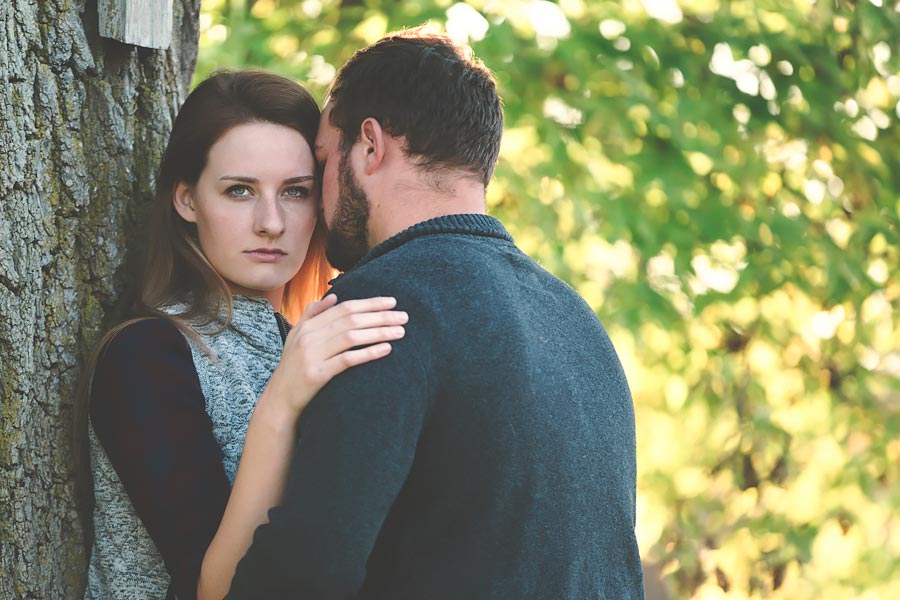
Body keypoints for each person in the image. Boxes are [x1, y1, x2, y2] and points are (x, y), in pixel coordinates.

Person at [226, 29, 645, 599]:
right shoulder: (578, 322)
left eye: (323, 160)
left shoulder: (378, 307)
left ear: (369, 146)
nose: (319, 200)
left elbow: (301, 577)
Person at [80, 69, 408, 600]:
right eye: (239, 191)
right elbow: (220, 588)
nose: (271, 222)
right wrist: (282, 401)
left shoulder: (306, 342)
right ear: (187, 199)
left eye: (296, 192)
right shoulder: (145, 355)